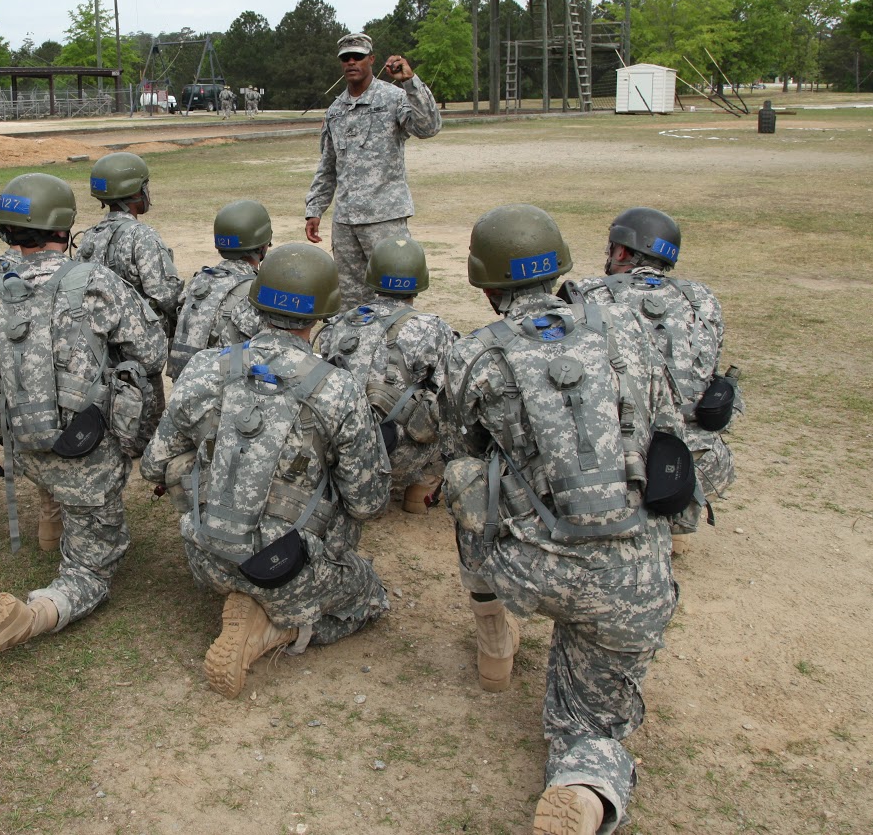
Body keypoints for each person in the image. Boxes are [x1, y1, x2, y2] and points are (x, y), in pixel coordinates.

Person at [440, 204, 680, 835]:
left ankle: (494, 640)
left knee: (463, 481)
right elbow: (669, 439)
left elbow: (458, 448)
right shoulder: (626, 330)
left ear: (486, 286)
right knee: (591, 720)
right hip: (630, 582)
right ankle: (585, 785)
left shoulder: (474, 356)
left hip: (525, 569)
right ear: (561, 269)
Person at [0, 172, 166, 677]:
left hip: (23, 450)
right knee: (92, 570)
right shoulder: (96, 282)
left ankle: (49, 512)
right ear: (64, 225)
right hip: (85, 456)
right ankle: (32, 613)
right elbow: (152, 350)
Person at [143, 243, 390, 698]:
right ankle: (274, 628)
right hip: (288, 567)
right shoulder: (338, 388)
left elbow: (155, 464)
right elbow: (368, 502)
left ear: (257, 298)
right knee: (370, 596)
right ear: (323, 311)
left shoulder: (205, 367)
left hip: (204, 555)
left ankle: (245, 599)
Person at [561, 207, 738, 555]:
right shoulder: (701, 299)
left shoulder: (586, 295)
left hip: (619, 461)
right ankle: (677, 520)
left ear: (622, 251)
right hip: (693, 459)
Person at [315, 236, 456, 514]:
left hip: (336, 451)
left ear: (371, 276)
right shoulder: (433, 328)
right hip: (393, 456)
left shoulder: (340, 322)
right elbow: (448, 401)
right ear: (421, 279)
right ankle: (418, 491)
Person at [304, 32, 442, 307]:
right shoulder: (336, 110)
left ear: (372, 59)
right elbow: (328, 165)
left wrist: (410, 83)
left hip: (385, 218)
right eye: (346, 58)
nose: (351, 62)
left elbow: (428, 128)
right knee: (349, 300)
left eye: (358, 56)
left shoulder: (394, 98)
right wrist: (315, 209)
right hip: (346, 223)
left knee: (394, 297)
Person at [74, 152, 183, 336]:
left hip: (97, 336)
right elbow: (166, 295)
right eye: (145, 186)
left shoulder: (89, 236)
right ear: (135, 192)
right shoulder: (143, 236)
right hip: (136, 339)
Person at [167, 199, 271, 379]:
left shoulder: (199, 281)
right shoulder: (257, 291)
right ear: (263, 245)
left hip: (187, 386)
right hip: (229, 394)